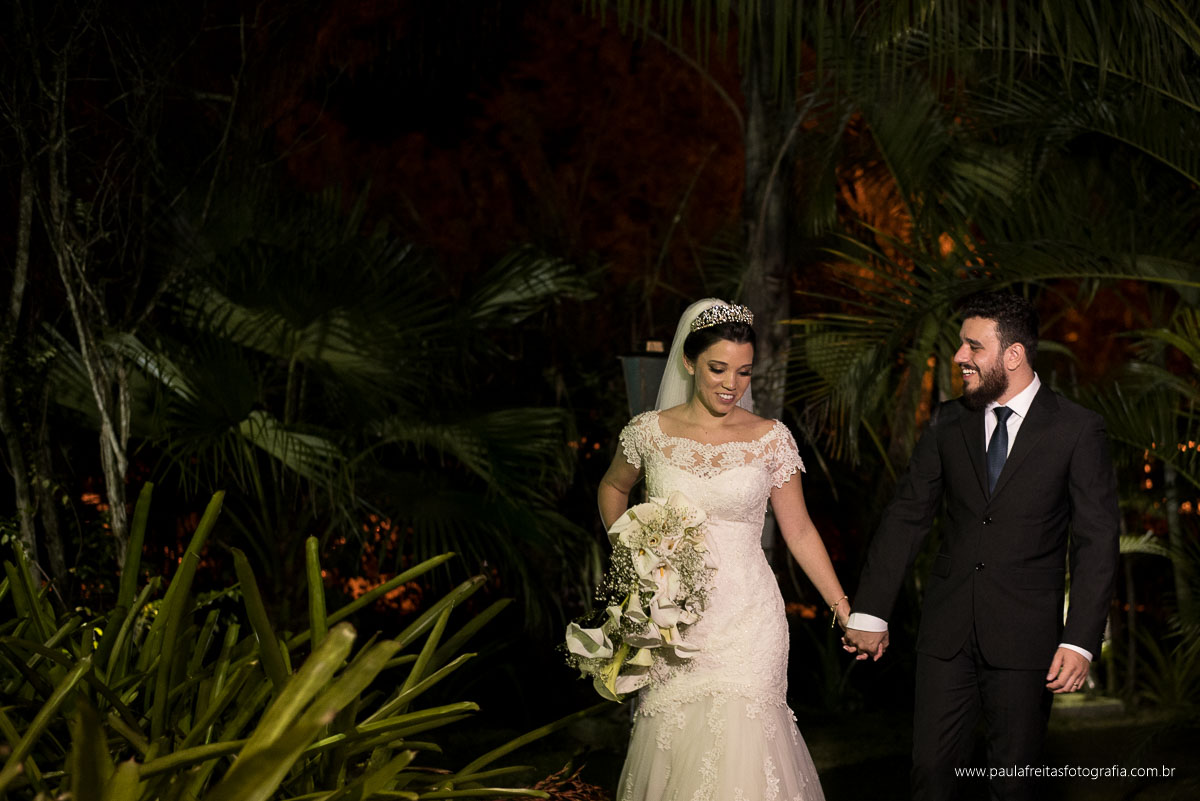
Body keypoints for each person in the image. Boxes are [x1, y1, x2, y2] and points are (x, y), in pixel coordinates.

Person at [842, 291, 1120, 801]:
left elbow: (1097, 541)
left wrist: (1080, 639)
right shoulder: (949, 421)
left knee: (1011, 784)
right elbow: (907, 515)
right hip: (946, 634)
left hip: (1026, 640)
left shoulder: (1077, 430)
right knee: (929, 774)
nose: (959, 358)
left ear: (1013, 355)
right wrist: (870, 610)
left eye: (973, 346)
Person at [598, 298, 852, 801]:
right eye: (718, 368)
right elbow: (612, 488)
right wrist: (633, 549)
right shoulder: (649, 432)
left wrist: (843, 608)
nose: (731, 384)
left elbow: (799, 531)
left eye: (743, 372)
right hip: (674, 624)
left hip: (749, 620)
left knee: (747, 755)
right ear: (689, 363)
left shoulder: (769, 439)